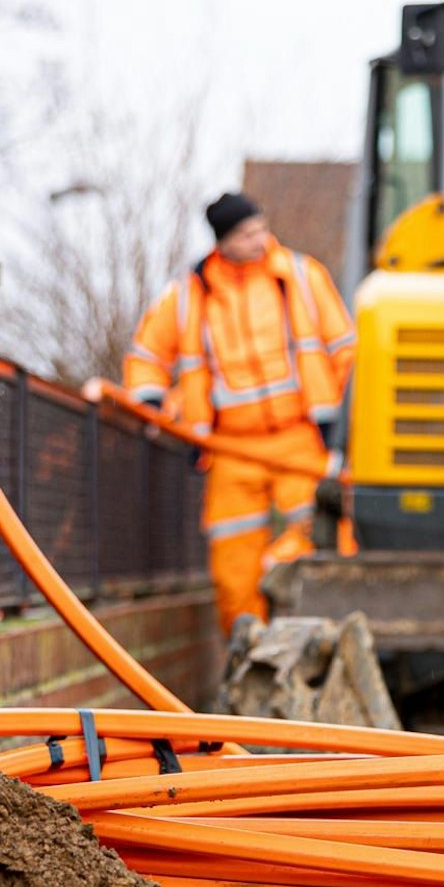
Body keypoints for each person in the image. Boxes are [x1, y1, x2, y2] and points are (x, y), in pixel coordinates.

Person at [124, 193, 355, 633]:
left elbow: (346, 349)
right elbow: (146, 355)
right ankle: (248, 655)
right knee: (233, 570)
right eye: (247, 233)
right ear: (223, 242)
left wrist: (343, 426)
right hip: (229, 446)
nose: (260, 239)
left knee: (325, 539)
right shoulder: (189, 296)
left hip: (298, 437)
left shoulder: (301, 276)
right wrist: (152, 403)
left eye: (262, 228)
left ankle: (316, 638)